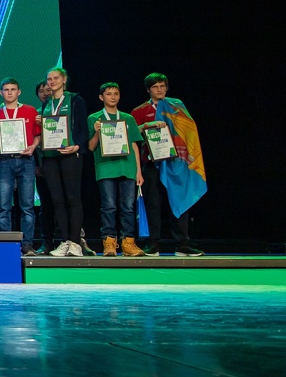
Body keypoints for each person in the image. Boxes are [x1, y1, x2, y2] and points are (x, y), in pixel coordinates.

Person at [131, 73, 205, 257]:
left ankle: (182, 244)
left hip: (176, 163)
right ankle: (153, 243)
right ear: (148, 90)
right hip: (151, 163)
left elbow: (189, 130)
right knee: (153, 204)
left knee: (179, 201)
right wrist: (147, 126)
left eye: (162, 86)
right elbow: (131, 136)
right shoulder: (140, 111)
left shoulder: (176, 106)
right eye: (155, 87)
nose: (159, 90)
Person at [87, 82, 145, 257]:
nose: (113, 97)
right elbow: (90, 147)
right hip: (106, 168)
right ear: (101, 97)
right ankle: (109, 242)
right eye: (109, 94)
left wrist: (139, 171)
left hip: (127, 166)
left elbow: (134, 145)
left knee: (127, 207)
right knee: (109, 206)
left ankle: (128, 243)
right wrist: (97, 132)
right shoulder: (94, 118)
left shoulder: (127, 118)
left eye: (116, 93)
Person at [39, 67, 88, 257]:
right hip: (50, 157)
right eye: (49, 79)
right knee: (57, 200)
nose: (52, 82)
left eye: (56, 78)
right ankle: (66, 240)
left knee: (72, 198)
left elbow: (83, 127)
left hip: (70, 154)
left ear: (64, 79)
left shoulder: (75, 100)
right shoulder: (46, 104)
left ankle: (76, 241)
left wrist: (77, 146)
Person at [0, 78, 41, 255]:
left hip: (26, 161)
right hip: (4, 161)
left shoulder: (30, 111)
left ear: (19, 92)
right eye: (6, 89)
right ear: (1, 93)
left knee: (27, 206)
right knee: (4, 206)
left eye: (13, 89)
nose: (10, 92)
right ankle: (6, 245)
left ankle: (27, 245)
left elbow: (38, 135)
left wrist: (33, 147)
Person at [32, 80, 56, 252]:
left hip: (63, 165)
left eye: (48, 90)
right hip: (42, 167)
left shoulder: (61, 113)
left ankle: (76, 240)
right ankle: (47, 242)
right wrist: (35, 165)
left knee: (67, 204)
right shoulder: (35, 116)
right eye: (41, 91)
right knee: (45, 206)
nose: (45, 93)